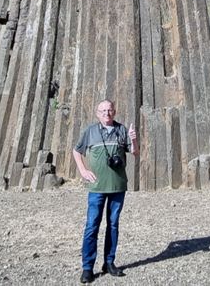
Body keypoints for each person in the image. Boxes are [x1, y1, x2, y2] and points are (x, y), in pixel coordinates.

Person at [73, 99, 138, 283]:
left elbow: (135, 152)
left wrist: (133, 139)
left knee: (113, 224)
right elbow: (77, 151)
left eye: (109, 110)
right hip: (96, 188)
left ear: (114, 112)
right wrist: (83, 171)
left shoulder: (122, 130)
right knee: (92, 225)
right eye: (103, 110)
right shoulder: (90, 131)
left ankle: (109, 262)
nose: (106, 113)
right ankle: (87, 268)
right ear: (97, 113)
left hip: (118, 187)